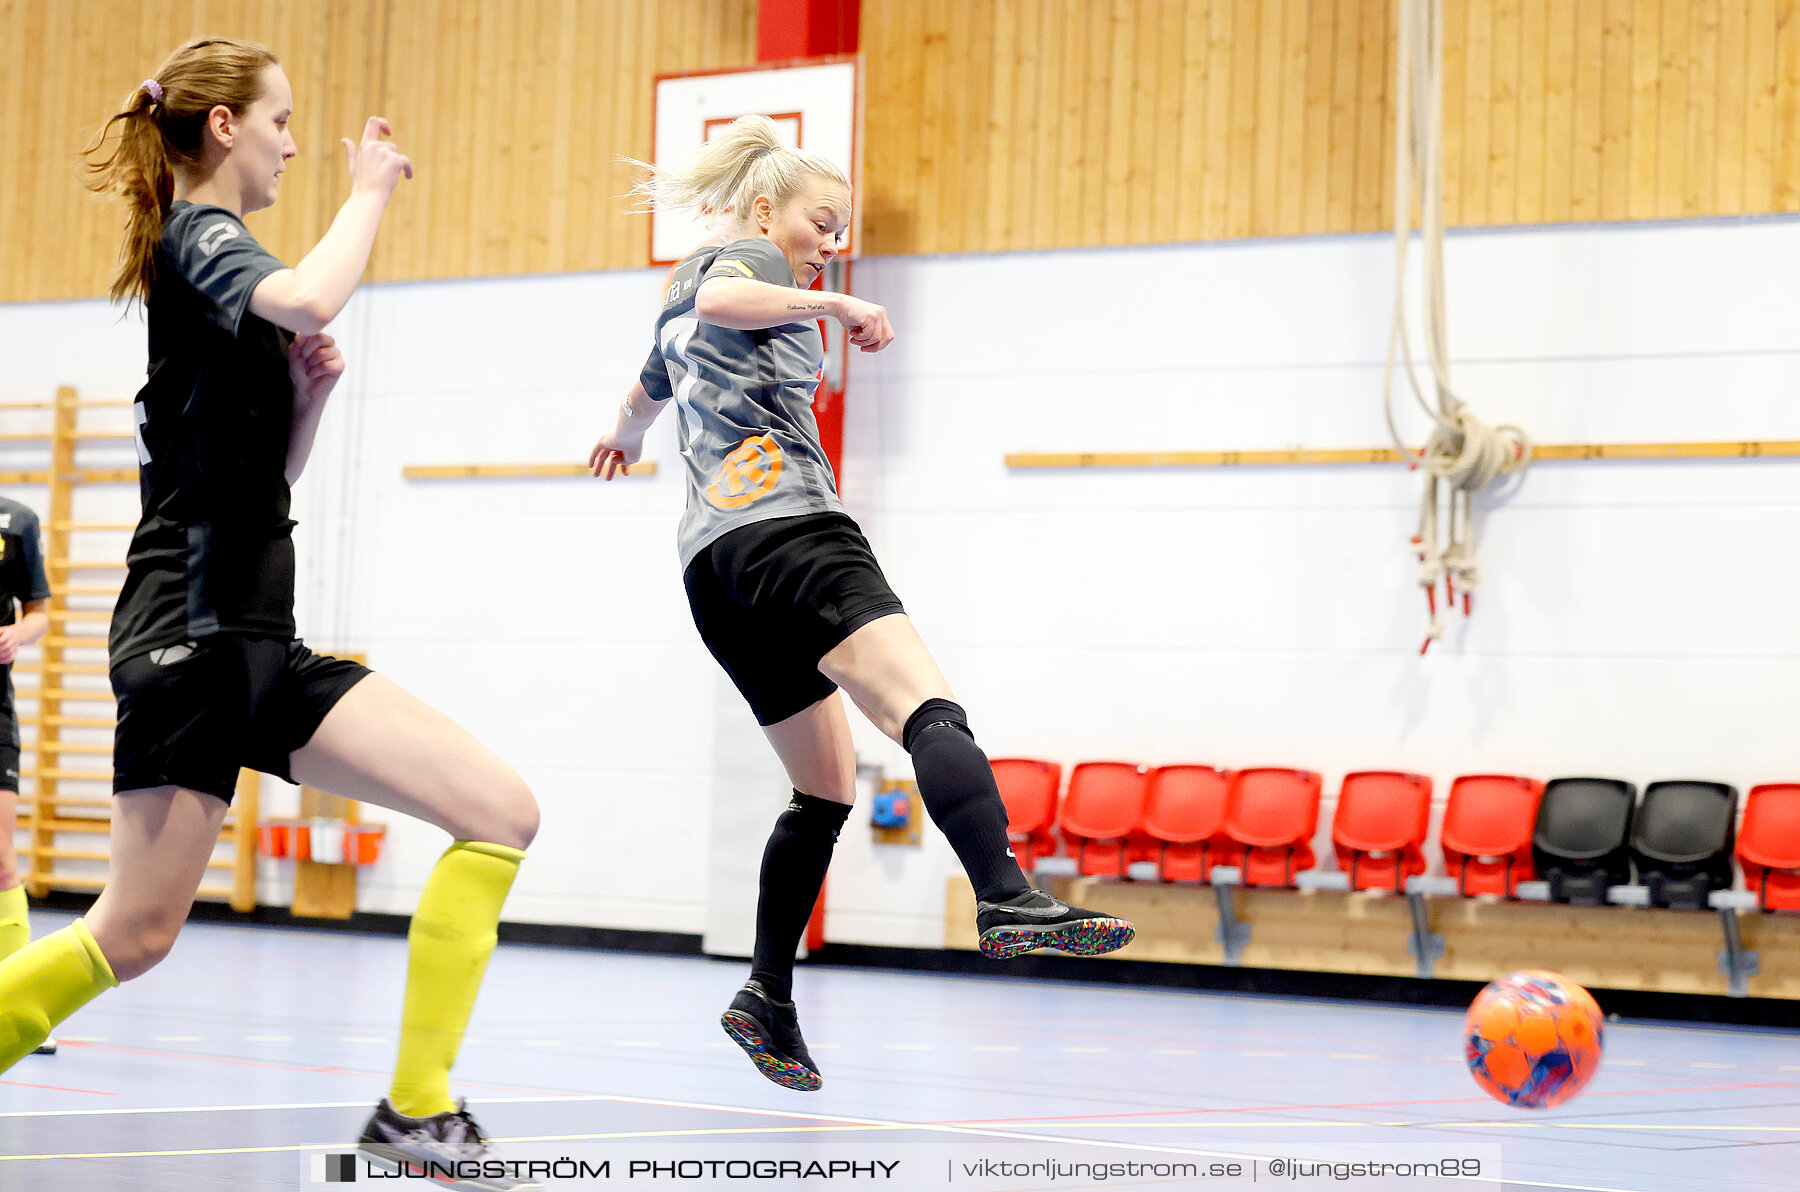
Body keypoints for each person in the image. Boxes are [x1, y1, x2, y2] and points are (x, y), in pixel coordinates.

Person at [0, 39, 540, 1190]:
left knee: (498, 810)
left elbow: (258, 486)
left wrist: (304, 402)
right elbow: (310, 290)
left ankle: (417, 1110)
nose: (298, 142)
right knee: (134, 934)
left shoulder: (220, 278)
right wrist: (367, 194)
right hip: (187, 631)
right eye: (283, 121)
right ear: (222, 130)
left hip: (257, 631)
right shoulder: (201, 236)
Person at [590, 116, 1135, 1093]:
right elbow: (728, 291)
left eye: (838, 232)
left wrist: (619, 437)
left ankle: (765, 993)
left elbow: (642, 394)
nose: (829, 240)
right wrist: (833, 301)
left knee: (826, 787)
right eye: (821, 221)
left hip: (714, 570)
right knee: (926, 707)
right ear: (766, 208)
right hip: (790, 528)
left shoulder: (672, 302)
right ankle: (1004, 893)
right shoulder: (740, 260)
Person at [0, 496, 53, 1055]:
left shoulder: (16, 521)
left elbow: (38, 610)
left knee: (0, 858)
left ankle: (10, 995)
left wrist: (21, 634)